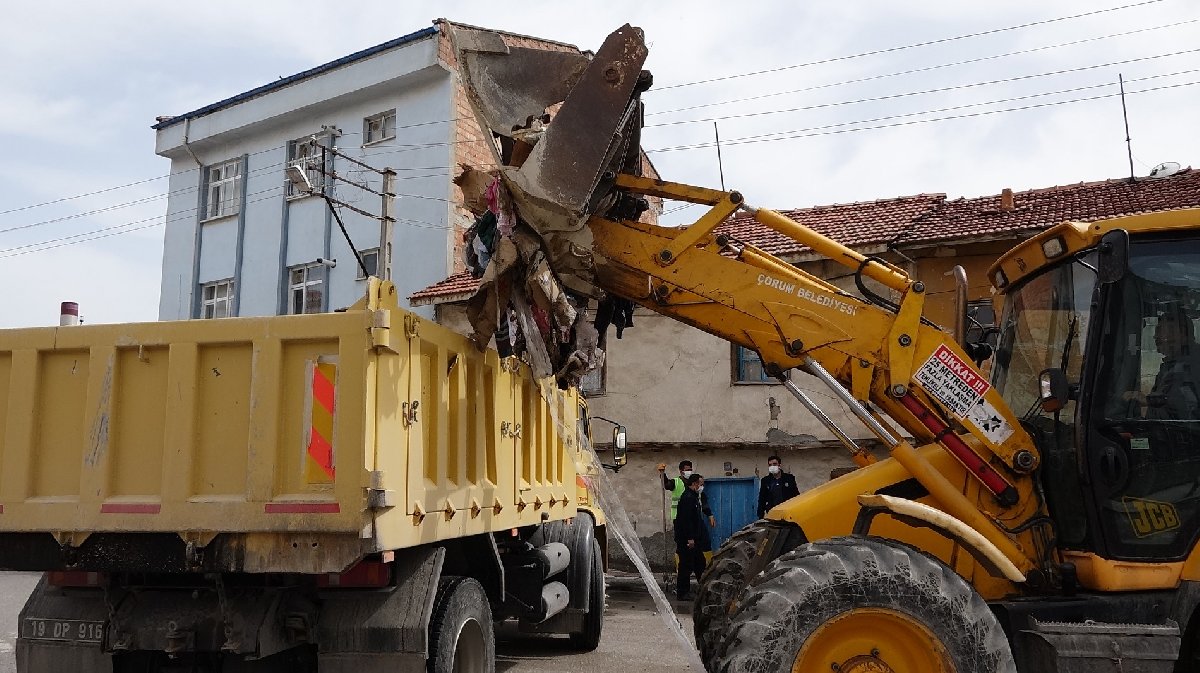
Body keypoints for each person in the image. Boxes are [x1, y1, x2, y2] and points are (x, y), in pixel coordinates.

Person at [1126, 312, 1200, 420]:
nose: (1155, 336)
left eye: (1160, 330)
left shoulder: (1190, 366)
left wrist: (1144, 399)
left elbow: (1182, 402)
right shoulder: (1173, 364)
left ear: (1181, 333)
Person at [673, 474, 710, 601]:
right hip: (687, 540)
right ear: (694, 484)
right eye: (701, 484)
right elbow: (686, 520)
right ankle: (683, 592)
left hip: (694, 538)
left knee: (700, 563)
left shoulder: (694, 497)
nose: (702, 486)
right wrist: (690, 538)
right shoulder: (688, 498)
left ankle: (704, 590)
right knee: (686, 566)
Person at [659, 460, 715, 527]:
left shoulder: (694, 483)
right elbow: (667, 485)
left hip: (693, 516)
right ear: (681, 471)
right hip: (679, 517)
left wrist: (709, 515)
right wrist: (663, 474)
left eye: (690, 470)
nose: (689, 472)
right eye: (687, 470)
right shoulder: (675, 482)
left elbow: (703, 500)